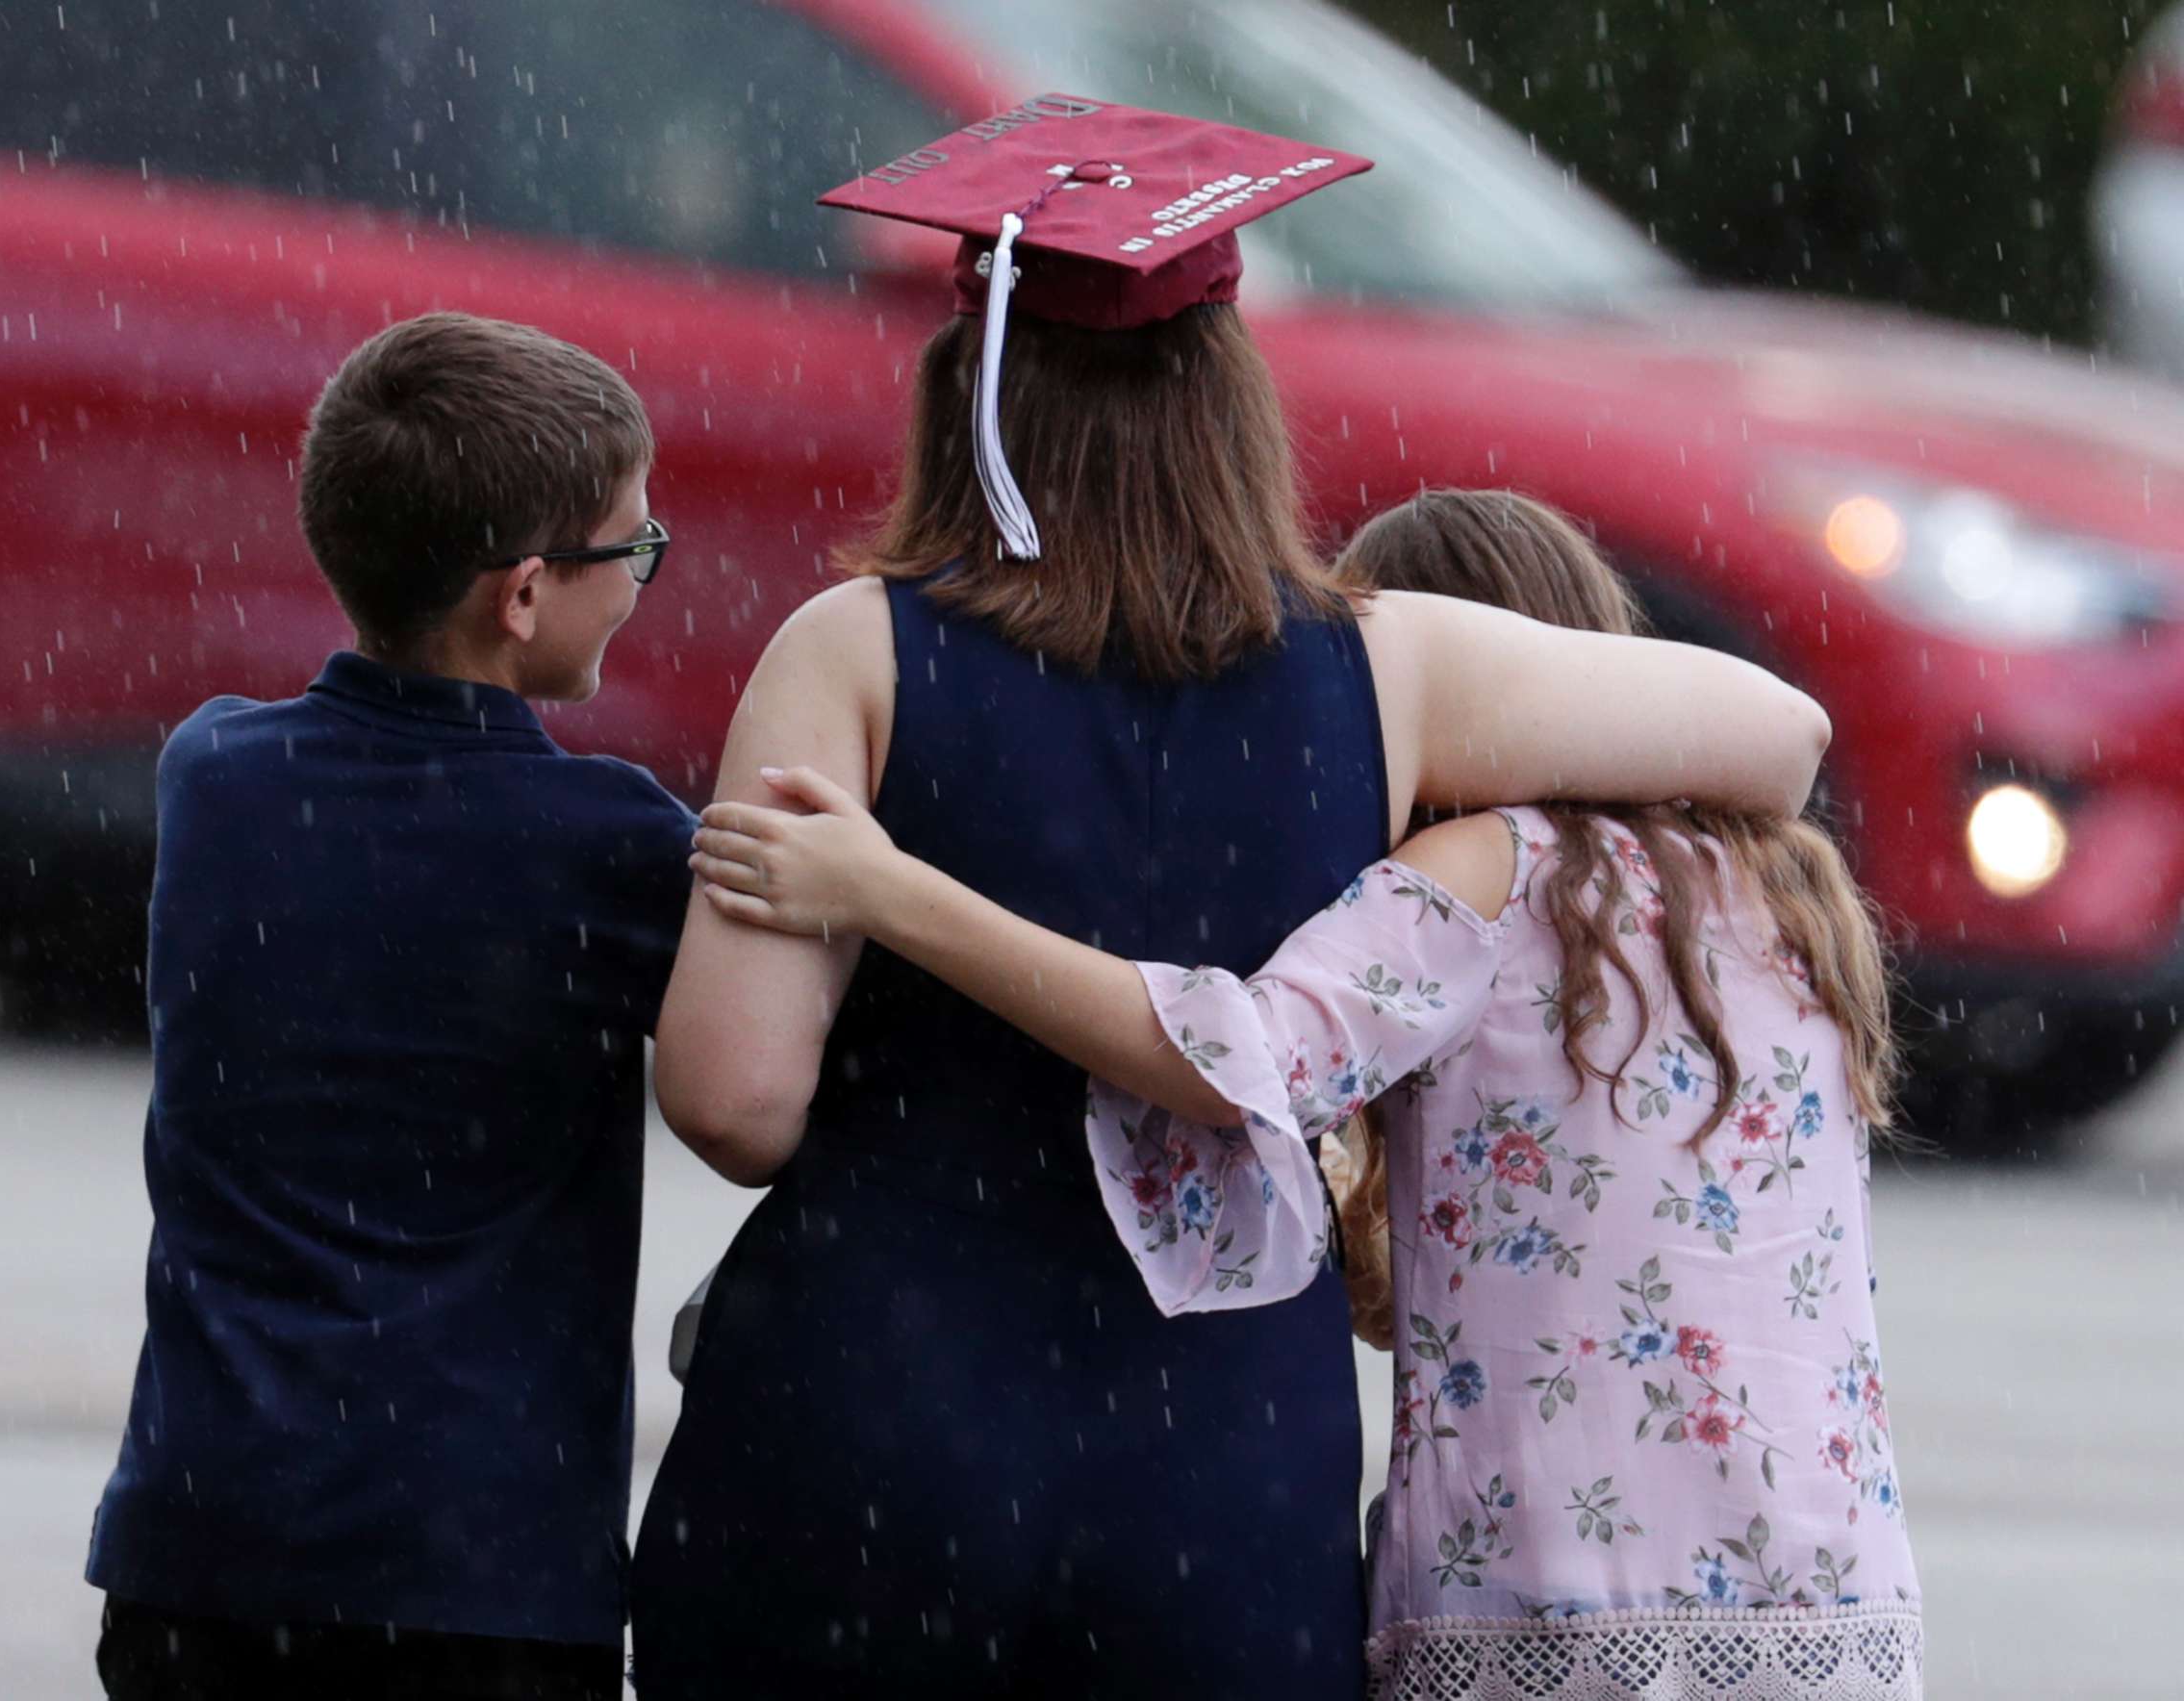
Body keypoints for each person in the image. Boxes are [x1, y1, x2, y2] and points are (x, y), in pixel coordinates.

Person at [632, 95, 1832, 1699]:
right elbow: (1778, 734)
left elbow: (734, 1098)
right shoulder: (1389, 667)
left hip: (873, 1419)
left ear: (968, 399)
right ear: (1234, 403)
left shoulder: (849, 652)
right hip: (1222, 1470)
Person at [686, 489, 1923, 1700]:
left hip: (1552, 1595)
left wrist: (888, 889)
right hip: (1826, 1590)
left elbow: (1233, 1066)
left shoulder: (1482, 874)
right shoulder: (1786, 900)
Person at [85, 312, 692, 1701]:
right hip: (475, 1566)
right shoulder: (607, 842)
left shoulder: (215, 774)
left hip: (202, 1542)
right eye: (633, 549)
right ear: (524, 595)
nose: (645, 579)